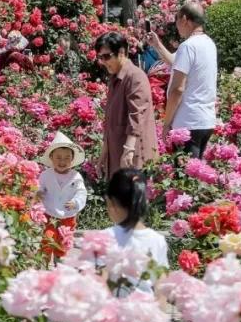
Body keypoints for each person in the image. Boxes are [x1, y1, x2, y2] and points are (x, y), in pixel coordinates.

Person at [153, 1, 218, 159]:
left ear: (184, 19)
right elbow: (176, 62)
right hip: (206, 120)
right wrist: (156, 45)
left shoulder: (187, 46)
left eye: (176, 20)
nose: (176, 25)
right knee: (196, 176)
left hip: (188, 122)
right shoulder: (209, 43)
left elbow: (177, 89)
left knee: (185, 179)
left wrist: (167, 122)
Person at [96, 31, 158, 178]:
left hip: (134, 152)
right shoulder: (115, 79)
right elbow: (110, 123)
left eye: (107, 56)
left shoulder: (134, 76)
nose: (103, 62)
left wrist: (129, 148)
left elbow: (137, 115)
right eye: (100, 57)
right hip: (118, 152)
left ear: (122, 52)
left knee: (134, 198)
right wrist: (104, 155)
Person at [102, 169, 168, 291]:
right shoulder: (157, 240)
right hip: (146, 308)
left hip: (111, 308)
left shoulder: (102, 238)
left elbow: (96, 283)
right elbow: (161, 285)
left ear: (110, 202)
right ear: (145, 202)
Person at [38, 132, 88, 261]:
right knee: (48, 238)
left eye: (67, 158)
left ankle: (59, 263)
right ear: (51, 157)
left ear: (72, 160)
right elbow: (39, 187)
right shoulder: (46, 175)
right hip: (49, 213)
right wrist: (39, 193)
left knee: (63, 242)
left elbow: (81, 192)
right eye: (58, 157)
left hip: (68, 216)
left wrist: (76, 202)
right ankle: (44, 262)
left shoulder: (75, 176)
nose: (62, 161)